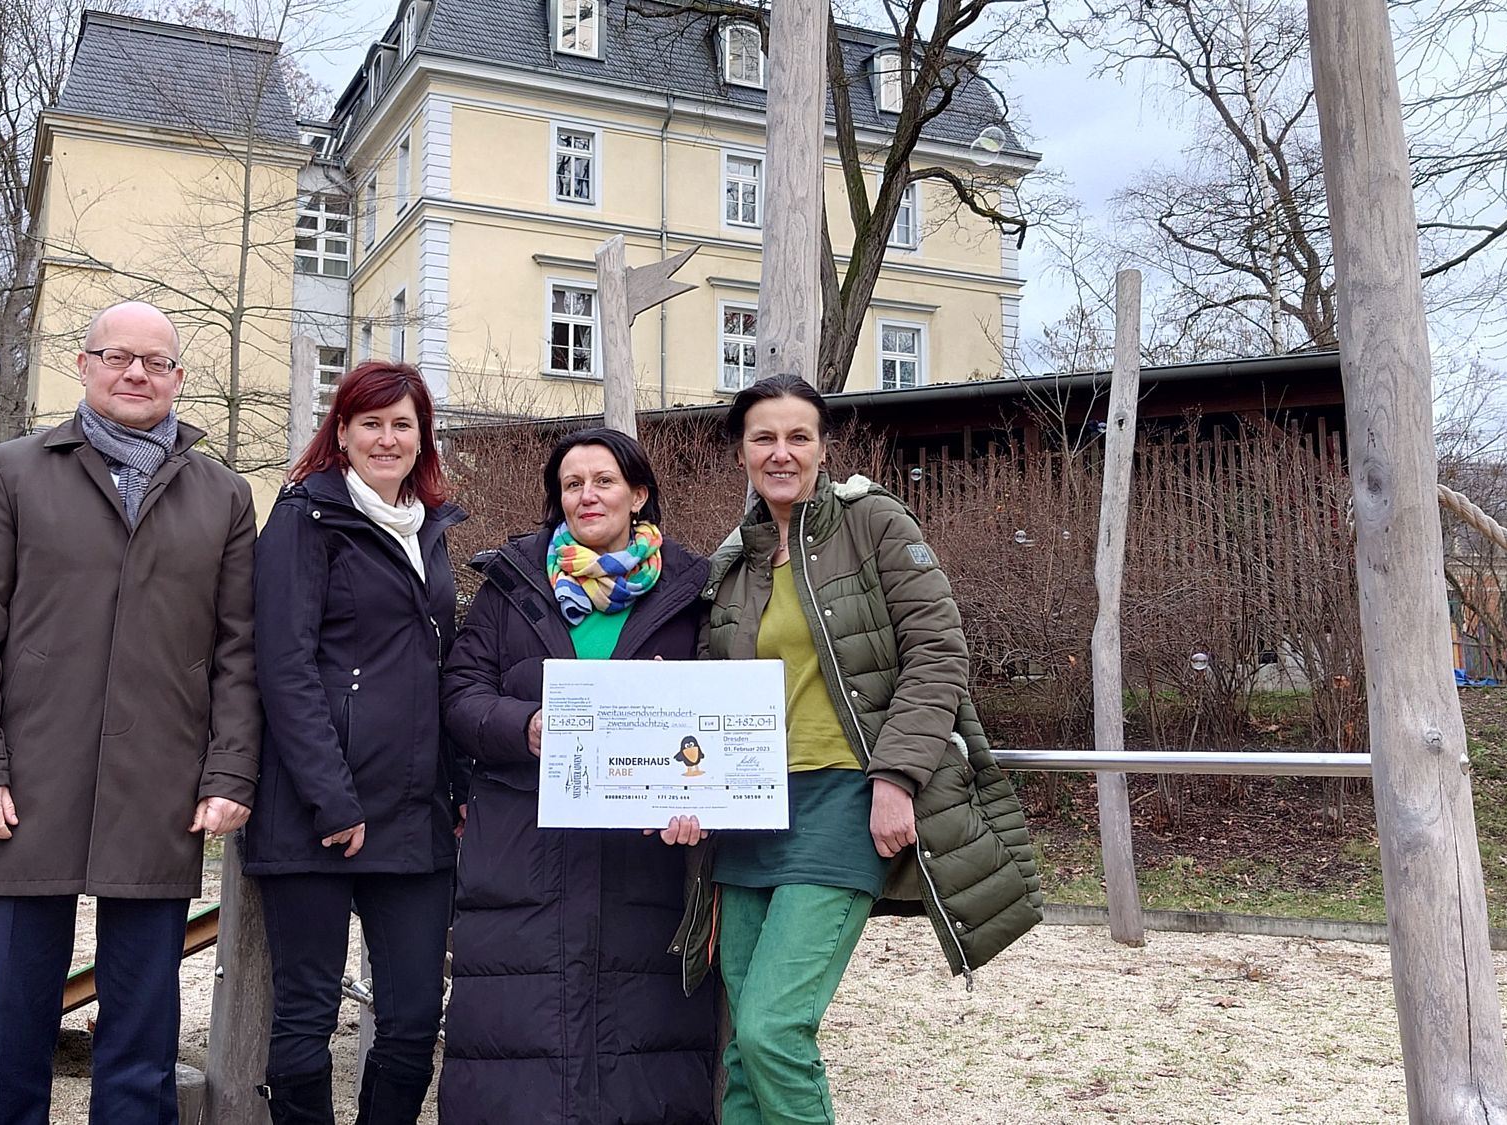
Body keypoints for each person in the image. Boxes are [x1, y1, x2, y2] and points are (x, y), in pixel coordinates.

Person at [676, 375, 1042, 1125]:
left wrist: (897, 777)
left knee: (773, 1028)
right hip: (749, 814)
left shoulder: (873, 521)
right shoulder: (733, 563)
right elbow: (706, 694)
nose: (781, 452)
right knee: (742, 1047)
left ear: (822, 447)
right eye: (764, 438)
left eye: (798, 436)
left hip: (844, 802)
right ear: (741, 453)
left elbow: (938, 653)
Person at [0, 300, 261, 1125]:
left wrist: (230, 770)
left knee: (142, 1034)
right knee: (13, 1021)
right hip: (27, 783)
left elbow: (239, 650)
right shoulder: (13, 472)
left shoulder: (223, 496)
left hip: (161, 783)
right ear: (83, 365)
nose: (136, 373)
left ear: (178, 378)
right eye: (117, 356)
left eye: (155, 361)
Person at [438, 427, 716, 1125]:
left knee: (641, 1049)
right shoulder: (511, 584)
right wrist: (526, 725)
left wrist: (700, 799)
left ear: (639, 494)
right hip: (522, 847)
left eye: (603, 481)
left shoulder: (693, 591)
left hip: (643, 859)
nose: (586, 495)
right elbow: (460, 695)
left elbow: (718, 719)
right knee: (517, 1039)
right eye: (571, 484)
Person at [244, 360, 465, 1125]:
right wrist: (332, 798)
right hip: (316, 812)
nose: (387, 437)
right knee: (306, 1014)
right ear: (341, 432)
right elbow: (285, 664)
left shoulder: (429, 526)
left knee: (413, 1017)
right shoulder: (304, 517)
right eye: (371, 422)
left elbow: (438, 666)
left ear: (422, 437)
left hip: (412, 811)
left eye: (403, 423)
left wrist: (458, 787)